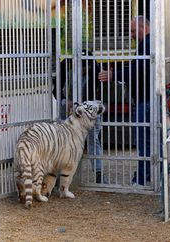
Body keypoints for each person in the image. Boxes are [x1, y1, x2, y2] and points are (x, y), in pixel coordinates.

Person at [98, 16, 152, 186]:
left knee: (144, 143)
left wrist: (115, 75)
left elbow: (139, 70)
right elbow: (136, 68)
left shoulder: (148, 45)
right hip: (145, 100)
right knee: (146, 143)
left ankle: (142, 180)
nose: (131, 35)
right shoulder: (147, 44)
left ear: (144, 27)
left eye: (134, 31)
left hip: (146, 101)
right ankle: (144, 177)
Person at [54, 50, 106, 184]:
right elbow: (56, 90)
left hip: (88, 109)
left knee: (93, 139)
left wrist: (85, 106)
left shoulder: (95, 68)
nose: (83, 71)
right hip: (68, 110)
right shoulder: (65, 66)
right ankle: (61, 174)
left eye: (85, 69)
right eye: (81, 68)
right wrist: (65, 101)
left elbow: (99, 91)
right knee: (65, 140)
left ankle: (99, 173)